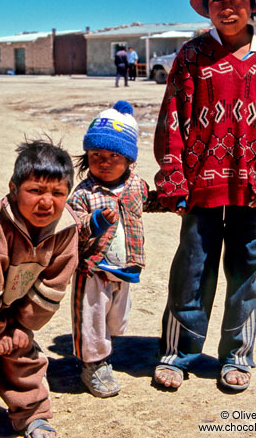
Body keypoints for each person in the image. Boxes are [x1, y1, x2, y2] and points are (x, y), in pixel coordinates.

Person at [153, 0, 256, 392]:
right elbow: (172, 118)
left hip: (255, 188)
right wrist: (173, 179)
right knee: (192, 270)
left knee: (247, 272)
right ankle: (179, 353)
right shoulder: (192, 55)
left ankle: (237, 355)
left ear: (254, 4)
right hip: (200, 187)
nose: (228, 6)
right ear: (207, 6)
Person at [0, 138, 79, 438]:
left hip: (13, 308)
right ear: (13, 189)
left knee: (24, 357)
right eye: (35, 190)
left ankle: (32, 414)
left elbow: (52, 287)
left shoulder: (65, 230)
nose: (46, 202)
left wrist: (22, 327)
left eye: (58, 193)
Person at [68, 100, 166, 398]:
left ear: (129, 160)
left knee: (115, 318)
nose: (105, 161)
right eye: (96, 154)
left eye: (114, 155)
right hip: (94, 269)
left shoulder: (136, 185)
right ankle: (93, 365)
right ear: (86, 156)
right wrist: (93, 221)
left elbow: (148, 203)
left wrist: (173, 202)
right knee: (91, 319)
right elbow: (72, 223)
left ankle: (104, 352)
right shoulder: (84, 193)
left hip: (126, 266)